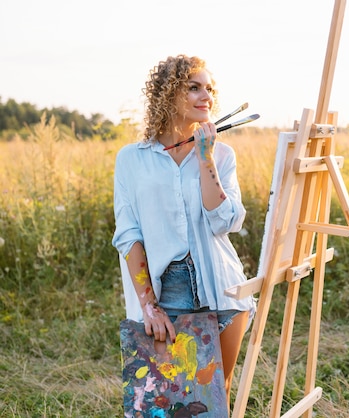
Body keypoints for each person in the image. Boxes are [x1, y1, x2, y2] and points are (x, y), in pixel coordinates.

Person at [112, 54, 256, 408]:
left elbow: (226, 222)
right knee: (168, 406)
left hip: (223, 292)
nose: (205, 96)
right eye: (193, 88)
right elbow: (128, 235)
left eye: (208, 88)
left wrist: (206, 159)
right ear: (167, 94)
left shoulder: (221, 154)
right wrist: (149, 306)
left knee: (212, 405)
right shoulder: (132, 159)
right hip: (167, 294)